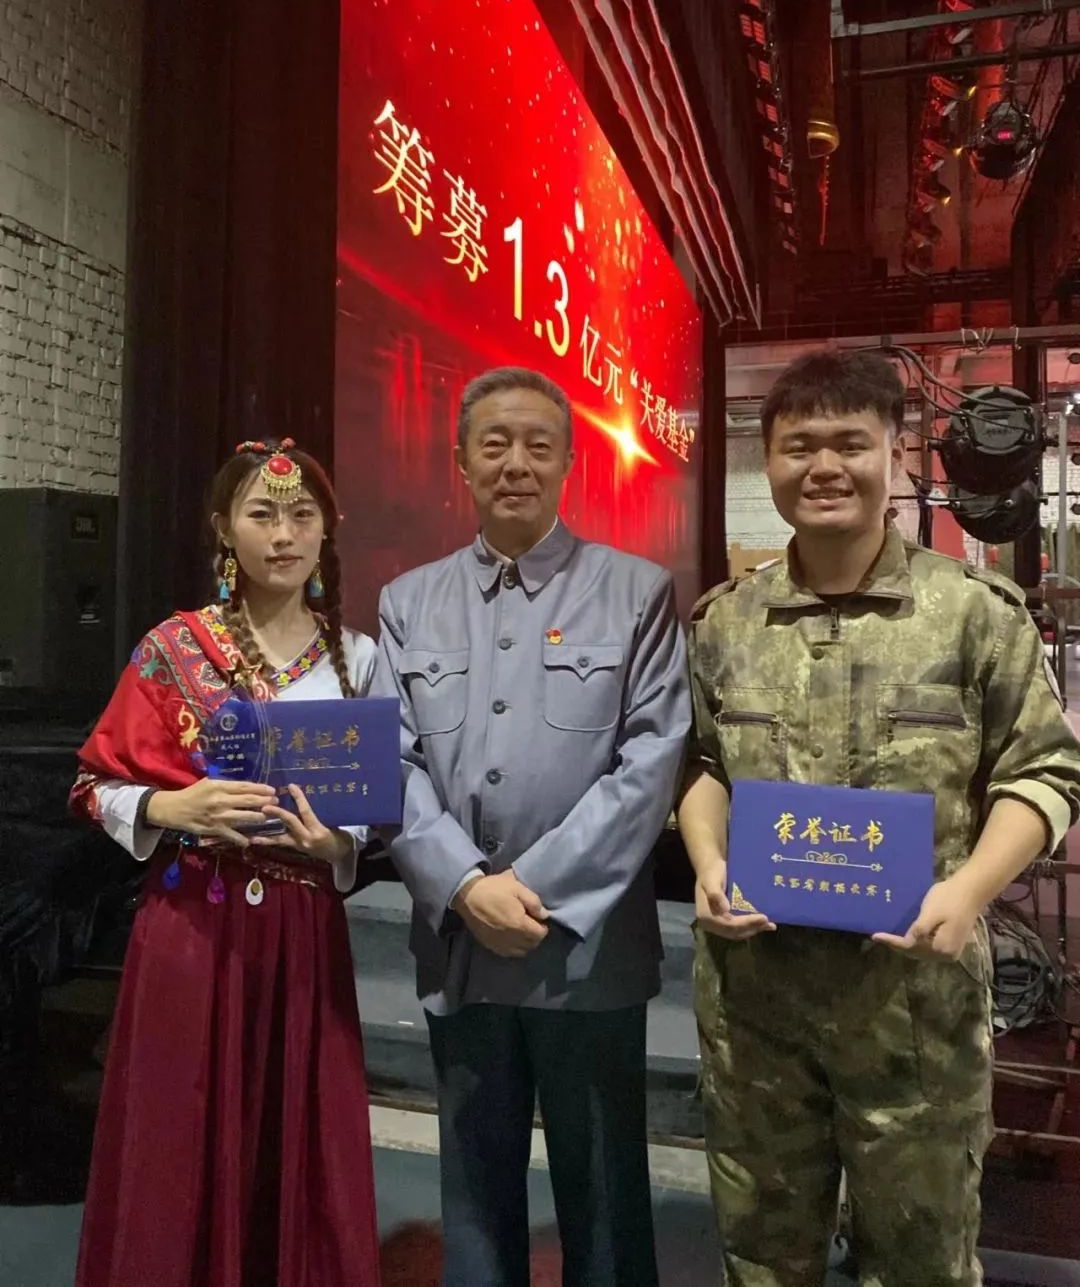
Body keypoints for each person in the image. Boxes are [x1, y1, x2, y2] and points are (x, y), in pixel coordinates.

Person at [679, 349, 1080, 1287]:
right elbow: (702, 763)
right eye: (799, 446)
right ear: (770, 462)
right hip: (758, 1009)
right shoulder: (725, 622)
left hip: (914, 1010)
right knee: (763, 1259)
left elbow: (1045, 771)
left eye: (850, 443)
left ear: (896, 454)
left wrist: (969, 892)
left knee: (921, 1265)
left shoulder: (972, 614)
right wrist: (707, 861)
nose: (825, 466)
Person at [373, 367, 690, 1287]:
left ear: (568, 462)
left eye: (538, 445)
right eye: (495, 444)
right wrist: (464, 886)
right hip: (459, 943)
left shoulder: (635, 593)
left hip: (585, 948)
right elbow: (391, 760)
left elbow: (651, 762)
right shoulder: (408, 601)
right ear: (462, 462)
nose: (516, 462)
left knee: (605, 1191)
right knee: (474, 1186)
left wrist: (532, 890)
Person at [71, 438, 382, 1287]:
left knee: (298, 1144)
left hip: (303, 937)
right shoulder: (173, 649)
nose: (283, 534)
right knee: (179, 1139)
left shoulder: (358, 658)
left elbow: (371, 813)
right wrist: (172, 808)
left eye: (302, 515)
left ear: (326, 531)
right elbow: (93, 785)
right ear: (223, 528)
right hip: (192, 930)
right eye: (261, 513)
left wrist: (337, 846)